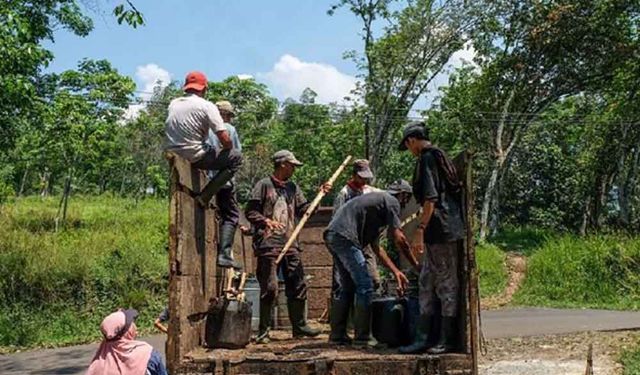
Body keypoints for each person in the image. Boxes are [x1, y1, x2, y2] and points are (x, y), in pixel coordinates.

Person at [245, 150, 331, 344]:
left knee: (298, 283)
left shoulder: (293, 188)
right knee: (271, 287)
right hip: (269, 244)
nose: (294, 169)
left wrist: (320, 195)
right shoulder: (264, 185)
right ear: (282, 164)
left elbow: (304, 210)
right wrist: (266, 222)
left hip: (290, 242)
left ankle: (299, 327)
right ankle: (263, 331)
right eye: (292, 165)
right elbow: (250, 211)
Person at [324, 180, 420, 347]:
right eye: (407, 198)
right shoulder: (392, 202)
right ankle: (362, 338)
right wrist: (416, 264)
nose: (406, 203)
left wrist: (396, 271)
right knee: (366, 285)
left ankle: (337, 335)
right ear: (403, 195)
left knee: (347, 286)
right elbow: (400, 239)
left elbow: (376, 248)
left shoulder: (377, 206)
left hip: (333, 235)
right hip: (345, 237)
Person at [397, 121, 465, 355]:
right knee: (426, 281)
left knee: (446, 283)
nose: (409, 150)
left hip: (443, 230)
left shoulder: (427, 158)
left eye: (407, 146)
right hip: (437, 231)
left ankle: (446, 340)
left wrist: (420, 230)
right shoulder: (434, 157)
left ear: (411, 141)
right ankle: (423, 337)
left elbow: (430, 198)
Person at [164, 71, 243, 268]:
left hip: (175, 154)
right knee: (235, 159)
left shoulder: (174, 103)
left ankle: (205, 195)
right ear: (204, 88)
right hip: (199, 160)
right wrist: (224, 150)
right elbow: (226, 140)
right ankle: (205, 197)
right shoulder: (208, 108)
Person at [332, 159, 382, 293]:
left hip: (365, 241)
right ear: (354, 175)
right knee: (342, 282)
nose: (364, 181)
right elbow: (336, 221)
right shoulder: (344, 193)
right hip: (348, 243)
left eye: (366, 178)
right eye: (361, 178)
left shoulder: (371, 192)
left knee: (374, 279)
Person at [206, 100, 243, 269]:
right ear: (224, 115)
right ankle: (224, 254)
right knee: (231, 215)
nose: (230, 119)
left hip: (204, 177)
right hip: (223, 182)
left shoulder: (204, 127)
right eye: (229, 116)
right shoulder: (228, 129)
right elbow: (236, 154)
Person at [86, 309, 167, 375]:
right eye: (131, 324)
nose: (135, 327)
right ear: (127, 331)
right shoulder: (147, 355)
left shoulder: (98, 363)